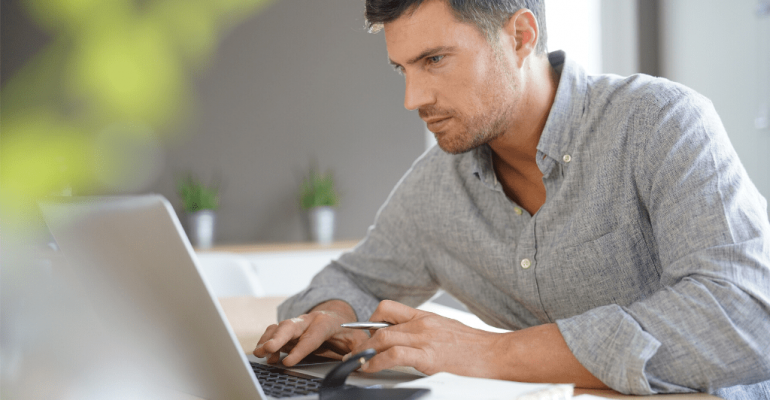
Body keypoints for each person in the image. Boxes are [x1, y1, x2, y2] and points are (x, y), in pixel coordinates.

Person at [253, 0, 770, 398]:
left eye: (434, 59)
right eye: (403, 69)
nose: (412, 99)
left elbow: (746, 315)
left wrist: (487, 352)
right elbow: (356, 278)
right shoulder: (437, 186)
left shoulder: (659, 123)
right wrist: (331, 313)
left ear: (521, 36)